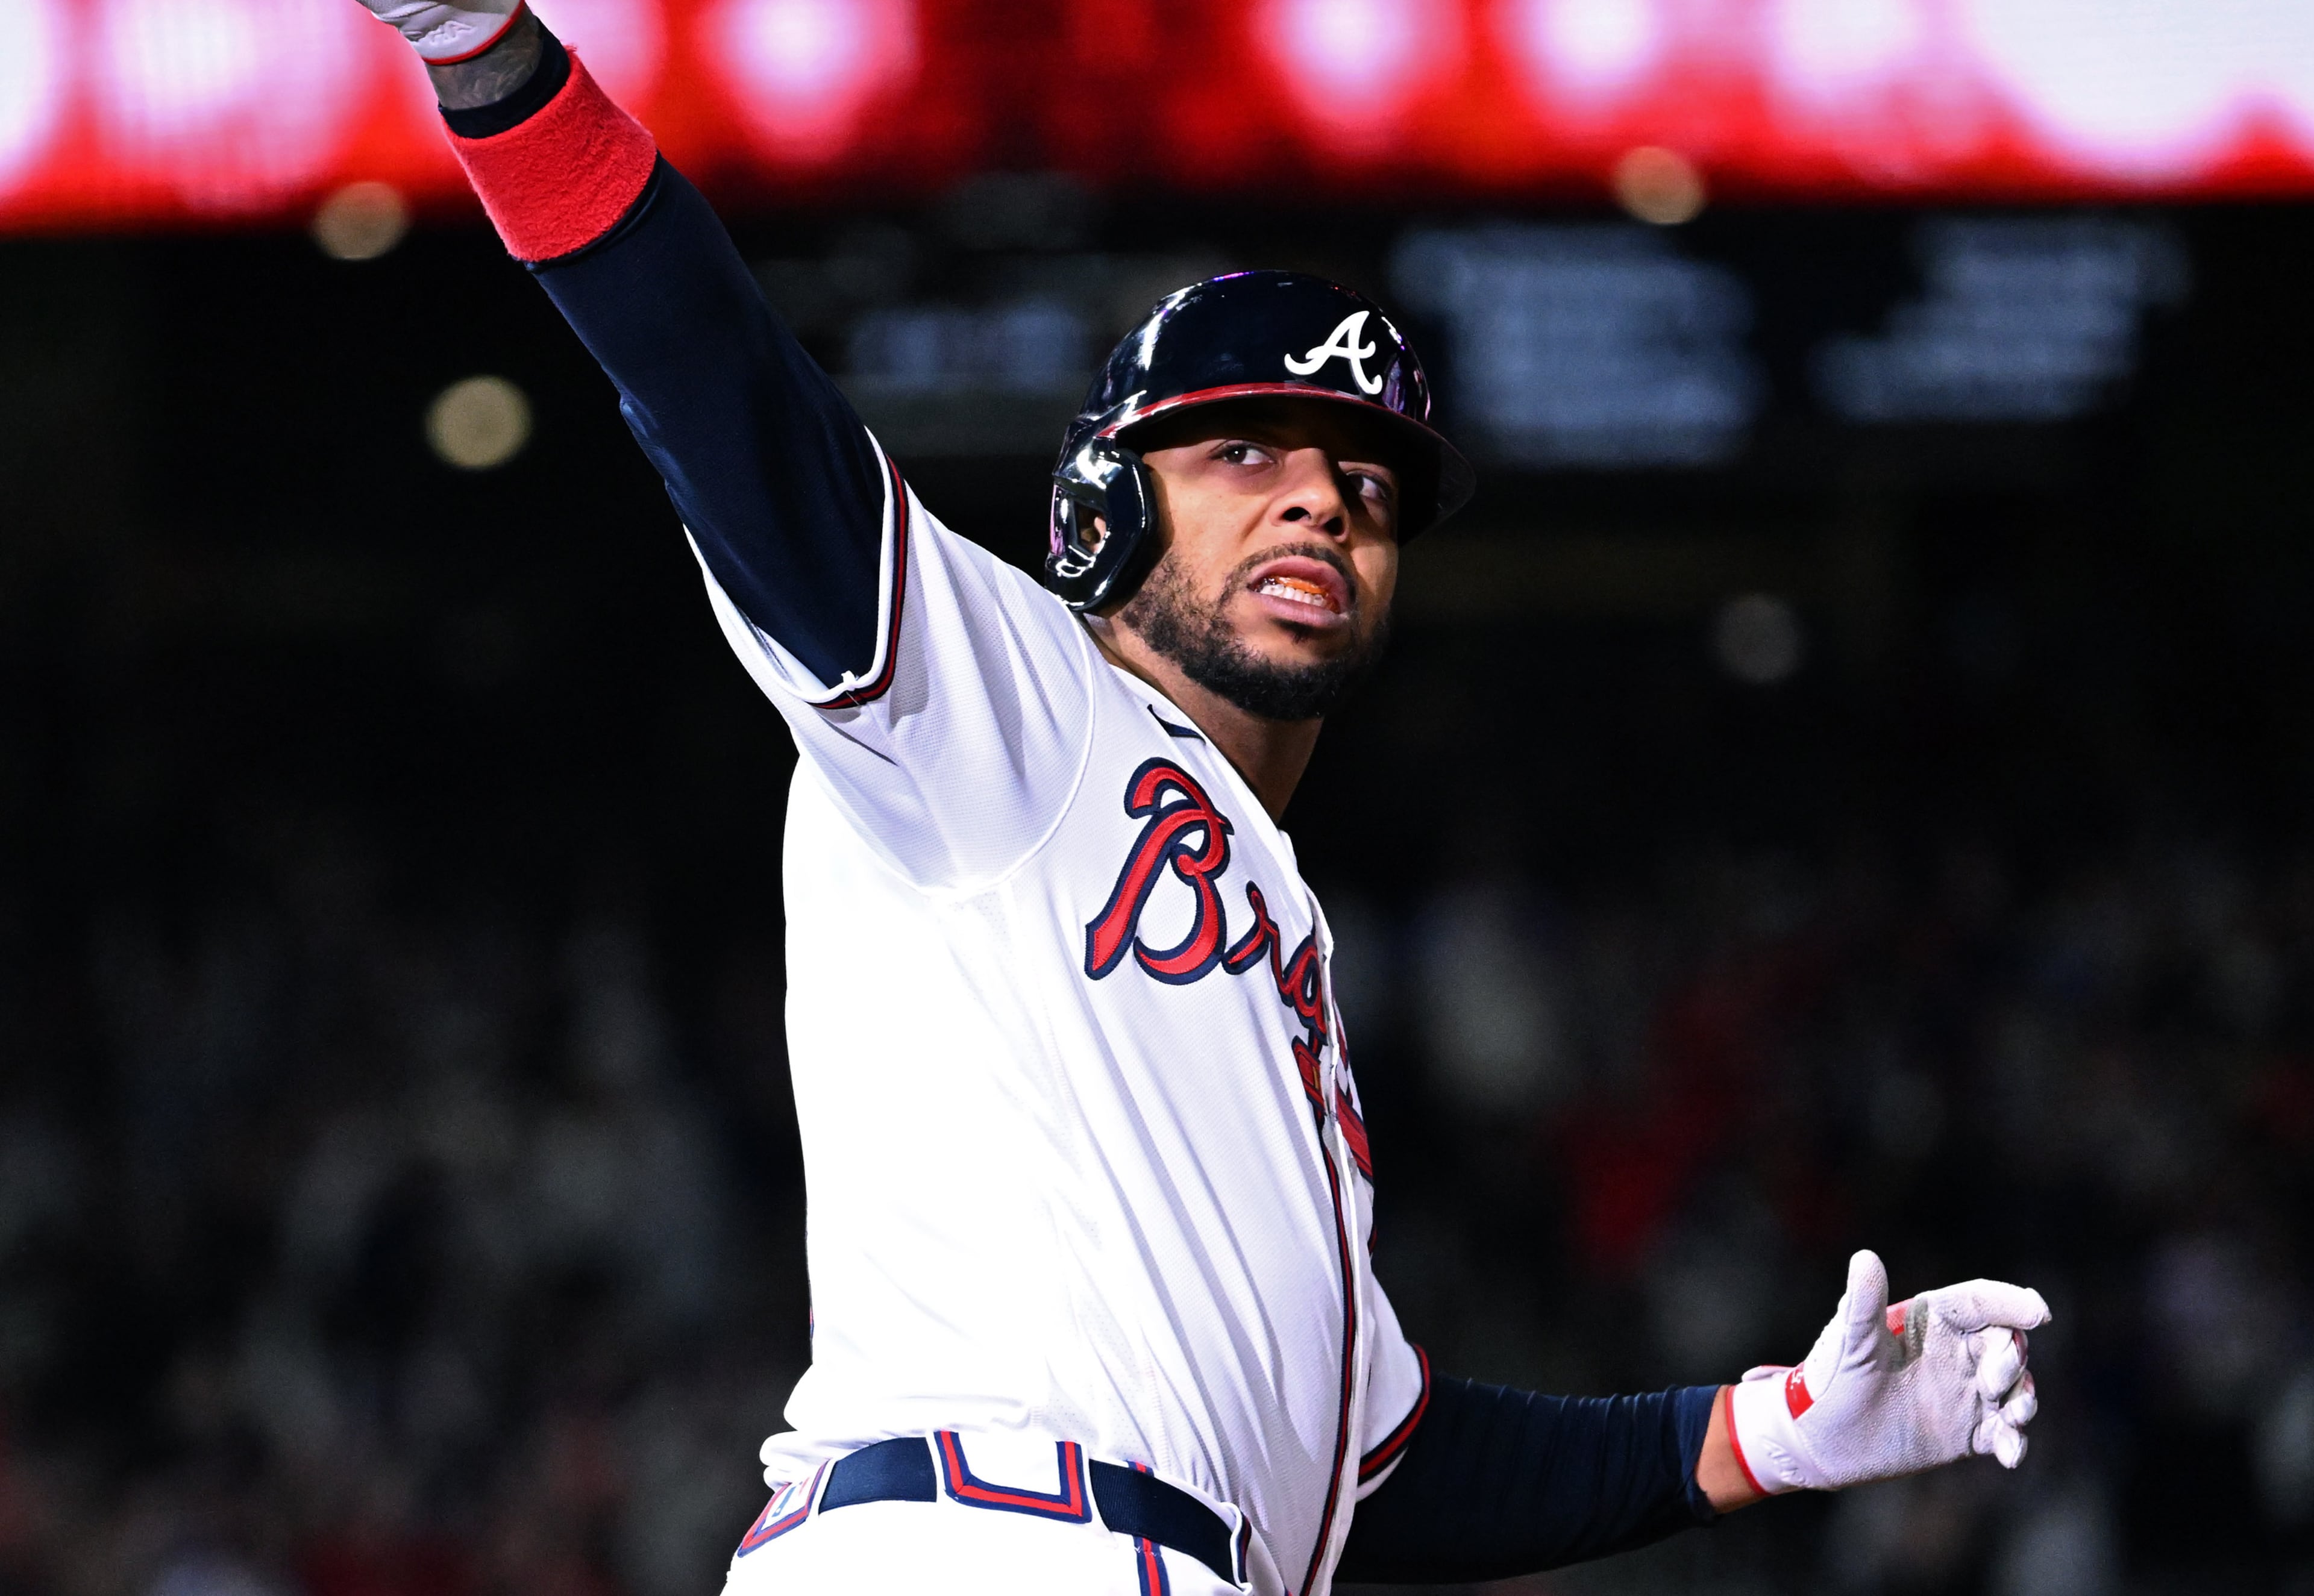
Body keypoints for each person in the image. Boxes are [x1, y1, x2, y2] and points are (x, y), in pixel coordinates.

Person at [350, 5, 2049, 1592]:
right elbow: (728, 400)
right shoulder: (1012, 712)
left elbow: (1383, 1463)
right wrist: (487, 49)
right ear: (1103, 516)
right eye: (1246, 451)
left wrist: (1767, 1433)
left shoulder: (1273, 927)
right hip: (982, 1540)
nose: (1321, 500)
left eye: (1364, 481)